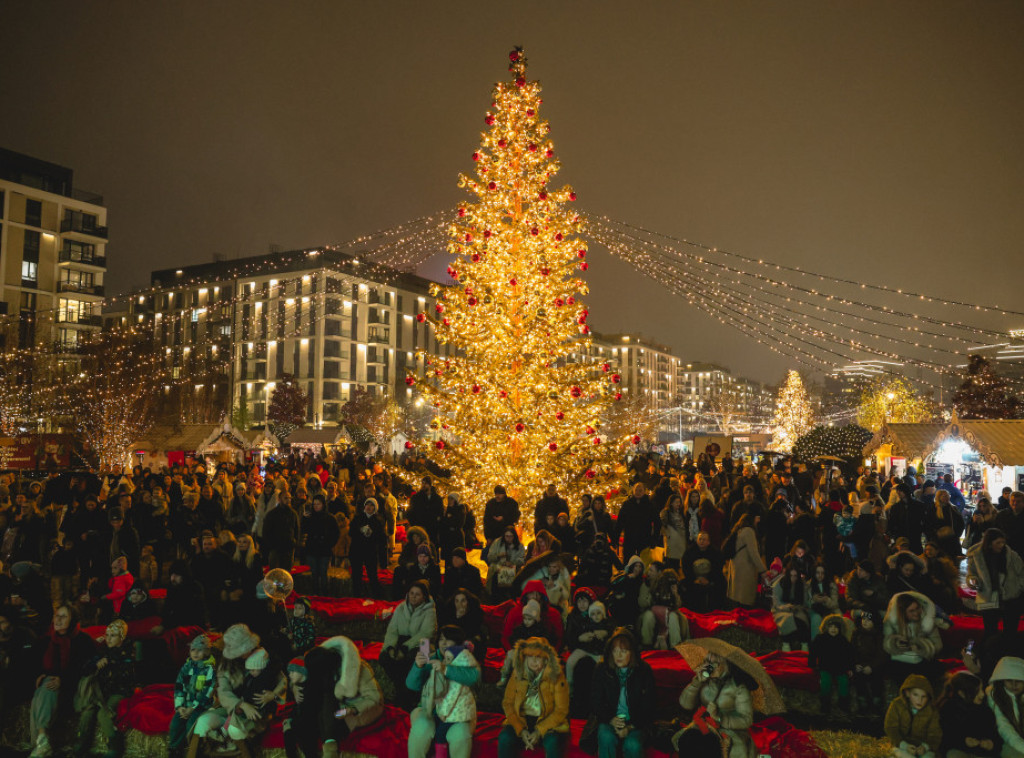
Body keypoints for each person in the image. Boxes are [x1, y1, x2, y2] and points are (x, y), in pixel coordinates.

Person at [29, 605, 95, 758]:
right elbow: (31, 664)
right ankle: (42, 738)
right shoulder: (46, 641)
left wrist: (63, 680)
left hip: (73, 688)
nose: (58, 619)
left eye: (63, 616)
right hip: (50, 688)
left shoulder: (83, 641)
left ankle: (41, 742)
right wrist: (38, 675)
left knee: (45, 688)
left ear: (73, 620)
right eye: (56, 615)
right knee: (45, 687)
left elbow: (86, 668)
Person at [406, 625, 480, 758]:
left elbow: (474, 678)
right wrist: (418, 666)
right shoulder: (432, 659)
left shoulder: (465, 659)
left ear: (457, 642)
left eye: (449, 639)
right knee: (421, 727)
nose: (444, 643)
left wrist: (446, 669)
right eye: (441, 639)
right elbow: (411, 685)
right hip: (431, 710)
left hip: (457, 714)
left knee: (460, 735)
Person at [673, 648, 758, 758]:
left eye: (714, 663)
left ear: (726, 665)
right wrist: (696, 683)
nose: (710, 667)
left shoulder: (738, 687)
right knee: (687, 741)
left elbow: (747, 720)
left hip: (729, 731)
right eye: (707, 662)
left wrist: (719, 718)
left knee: (726, 751)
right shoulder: (704, 681)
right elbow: (685, 704)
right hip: (704, 726)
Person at [586, 629, 655, 758]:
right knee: (606, 737)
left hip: (635, 722)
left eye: (623, 651)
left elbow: (648, 706)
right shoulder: (602, 669)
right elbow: (595, 702)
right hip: (609, 719)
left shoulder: (644, 670)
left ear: (632, 653)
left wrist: (630, 727)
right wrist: (611, 719)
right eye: (615, 651)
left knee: (632, 744)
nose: (618, 655)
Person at [72, 619, 136, 758]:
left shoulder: (129, 652)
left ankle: (115, 747)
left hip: (120, 691)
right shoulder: (103, 652)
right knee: (88, 710)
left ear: (121, 637)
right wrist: (96, 663)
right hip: (103, 692)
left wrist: (110, 661)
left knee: (103, 713)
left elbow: (127, 675)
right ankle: (82, 743)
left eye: (113, 635)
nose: (108, 639)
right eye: (107, 635)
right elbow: (85, 669)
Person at [497, 636, 569, 758]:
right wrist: (520, 729)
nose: (533, 661)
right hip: (522, 718)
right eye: (530, 656)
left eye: (538, 657)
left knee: (552, 742)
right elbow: (508, 703)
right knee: (505, 738)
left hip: (548, 719)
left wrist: (539, 731)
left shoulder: (556, 676)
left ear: (546, 659)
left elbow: (561, 710)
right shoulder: (517, 674)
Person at [381, 580, 437, 710]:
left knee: (412, 659)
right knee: (384, 658)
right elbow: (392, 630)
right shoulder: (401, 607)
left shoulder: (429, 610)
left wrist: (405, 648)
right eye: (411, 593)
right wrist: (390, 648)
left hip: (421, 643)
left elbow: (426, 633)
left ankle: (408, 694)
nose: (413, 596)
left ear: (424, 596)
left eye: (417, 594)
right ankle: (401, 689)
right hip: (401, 641)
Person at [966, 527, 1024, 639]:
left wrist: (1019, 588)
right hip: (988, 597)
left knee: (1010, 631)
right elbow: (971, 573)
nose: (1002, 545)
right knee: (990, 631)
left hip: (1011, 597)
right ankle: (991, 653)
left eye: (1003, 542)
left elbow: (1022, 572)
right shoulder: (976, 556)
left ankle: (1008, 652)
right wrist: (973, 580)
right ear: (989, 543)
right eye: (998, 542)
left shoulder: (1011, 555)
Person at [168, 635, 216, 758]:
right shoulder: (186, 667)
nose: (195, 653)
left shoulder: (209, 669)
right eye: (193, 650)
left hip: (201, 706)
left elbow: (207, 691)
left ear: (206, 652)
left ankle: (194, 751)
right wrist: (180, 706)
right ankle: (175, 750)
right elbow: (179, 686)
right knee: (175, 724)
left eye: (199, 650)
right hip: (186, 705)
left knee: (191, 725)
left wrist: (193, 708)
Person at [883, 592, 942, 686]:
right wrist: (896, 643)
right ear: (903, 613)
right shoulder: (892, 621)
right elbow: (886, 642)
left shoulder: (927, 621)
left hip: (923, 660)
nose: (916, 613)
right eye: (911, 611)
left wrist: (921, 646)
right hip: (901, 660)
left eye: (917, 608)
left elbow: (938, 645)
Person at [936, 671, 999, 758]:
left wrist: (991, 744)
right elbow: (946, 738)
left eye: (981, 689)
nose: (982, 694)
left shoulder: (985, 710)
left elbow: (994, 734)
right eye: (977, 691)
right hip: (959, 751)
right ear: (961, 693)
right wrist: (963, 741)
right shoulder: (948, 710)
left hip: (982, 753)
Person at [884, 674, 941, 758]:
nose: (919, 700)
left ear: (928, 697)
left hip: (922, 747)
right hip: (900, 744)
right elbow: (891, 728)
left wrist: (925, 747)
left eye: (923, 696)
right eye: (915, 695)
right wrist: (904, 745)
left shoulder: (932, 711)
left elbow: (935, 735)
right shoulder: (897, 705)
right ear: (907, 693)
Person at [564, 589, 613, 686]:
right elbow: (569, 637)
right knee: (570, 663)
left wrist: (605, 633)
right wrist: (579, 638)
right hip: (581, 648)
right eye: (579, 601)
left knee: (603, 665)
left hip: (597, 649)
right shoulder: (573, 617)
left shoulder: (597, 612)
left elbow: (610, 626)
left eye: (585, 601)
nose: (582, 604)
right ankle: (569, 685)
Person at [808, 614, 854, 716]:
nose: (833, 629)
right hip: (825, 667)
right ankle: (825, 705)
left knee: (844, 682)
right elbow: (813, 652)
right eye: (831, 627)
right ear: (826, 627)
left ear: (840, 628)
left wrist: (850, 668)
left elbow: (849, 655)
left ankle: (843, 706)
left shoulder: (843, 640)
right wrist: (812, 664)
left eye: (836, 627)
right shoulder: (820, 639)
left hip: (840, 668)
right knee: (825, 683)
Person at [724, 513, 767, 608]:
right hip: (745, 568)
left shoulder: (739, 529)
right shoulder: (749, 531)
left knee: (736, 595)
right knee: (744, 598)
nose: (758, 520)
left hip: (736, 566)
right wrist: (763, 570)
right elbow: (753, 553)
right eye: (757, 517)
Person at [302, 493, 340, 595]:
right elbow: (303, 530)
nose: (316, 506)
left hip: (324, 550)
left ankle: (324, 594)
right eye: (314, 504)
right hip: (312, 549)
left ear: (323, 504)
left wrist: (329, 544)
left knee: (323, 573)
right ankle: (315, 593)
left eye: (318, 504)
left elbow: (336, 533)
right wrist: (304, 519)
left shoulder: (330, 518)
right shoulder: (310, 517)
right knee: (314, 574)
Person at [987, 656, 1024, 758]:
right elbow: (1003, 726)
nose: (1014, 685)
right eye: (1009, 680)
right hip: (1003, 742)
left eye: (1019, 680)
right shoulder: (996, 696)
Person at [349, 498, 386, 598]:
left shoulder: (378, 521)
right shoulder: (357, 518)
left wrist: (372, 533)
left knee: (372, 575)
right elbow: (351, 532)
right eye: (367, 505)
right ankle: (357, 596)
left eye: (371, 505)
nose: (369, 507)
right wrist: (360, 530)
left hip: (370, 551)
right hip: (357, 550)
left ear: (375, 508)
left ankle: (377, 596)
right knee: (356, 576)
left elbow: (381, 539)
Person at [851, 609, 886, 713]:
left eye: (868, 620)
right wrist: (855, 664)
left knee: (877, 679)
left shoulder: (879, 635)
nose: (865, 622)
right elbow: (852, 651)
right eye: (863, 619)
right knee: (858, 678)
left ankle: (877, 703)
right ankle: (862, 703)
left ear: (874, 622)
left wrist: (872, 667)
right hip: (860, 664)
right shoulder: (856, 633)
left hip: (873, 665)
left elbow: (882, 654)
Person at [772, 560, 811, 652]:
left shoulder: (801, 584)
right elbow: (776, 602)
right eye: (791, 576)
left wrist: (800, 607)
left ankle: (804, 644)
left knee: (801, 620)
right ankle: (786, 643)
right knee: (787, 619)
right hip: (782, 609)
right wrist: (786, 607)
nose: (793, 578)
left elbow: (805, 601)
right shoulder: (780, 583)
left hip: (797, 609)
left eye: (795, 576)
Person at [437, 588, 489, 655]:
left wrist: (462, 619)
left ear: (468, 602)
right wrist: (457, 619)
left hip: (470, 641)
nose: (460, 604)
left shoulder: (476, 613)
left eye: (463, 601)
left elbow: (472, 632)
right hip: (452, 641)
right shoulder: (449, 613)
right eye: (457, 601)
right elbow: (446, 630)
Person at [616, 483, 658, 560]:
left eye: (640, 490)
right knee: (628, 560)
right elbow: (620, 521)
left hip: (645, 538)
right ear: (633, 491)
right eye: (636, 490)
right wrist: (616, 536)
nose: (638, 492)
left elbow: (657, 522)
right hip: (630, 538)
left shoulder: (649, 505)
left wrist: (654, 538)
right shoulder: (627, 504)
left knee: (644, 561)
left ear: (644, 491)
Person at [486, 526, 526, 601]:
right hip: (498, 570)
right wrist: (499, 556)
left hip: (513, 571)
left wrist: (512, 563)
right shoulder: (497, 543)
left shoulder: (519, 546)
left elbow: (522, 560)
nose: (509, 538)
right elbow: (490, 558)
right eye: (507, 536)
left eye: (511, 536)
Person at [407, 477, 444, 545]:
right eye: (422, 483)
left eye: (426, 483)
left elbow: (441, 513)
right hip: (420, 529)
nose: (423, 485)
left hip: (433, 530)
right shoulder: (416, 498)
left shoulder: (437, 498)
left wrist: (437, 523)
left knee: (433, 549)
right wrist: (415, 524)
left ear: (430, 485)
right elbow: (410, 513)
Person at [807, 563, 840, 639]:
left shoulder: (831, 585)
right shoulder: (809, 585)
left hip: (830, 608)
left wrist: (826, 599)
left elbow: (835, 604)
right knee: (816, 619)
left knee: (837, 619)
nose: (820, 575)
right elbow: (806, 603)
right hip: (814, 609)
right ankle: (816, 644)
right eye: (818, 573)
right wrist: (814, 600)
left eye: (822, 573)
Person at [439, 492, 468, 567]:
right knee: (448, 560)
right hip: (447, 538)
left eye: (451, 499)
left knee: (457, 557)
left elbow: (459, 523)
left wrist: (449, 519)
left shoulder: (460, 509)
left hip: (456, 537)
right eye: (448, 498)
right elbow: (443, 522)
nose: (449, 500)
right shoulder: (446, 509)